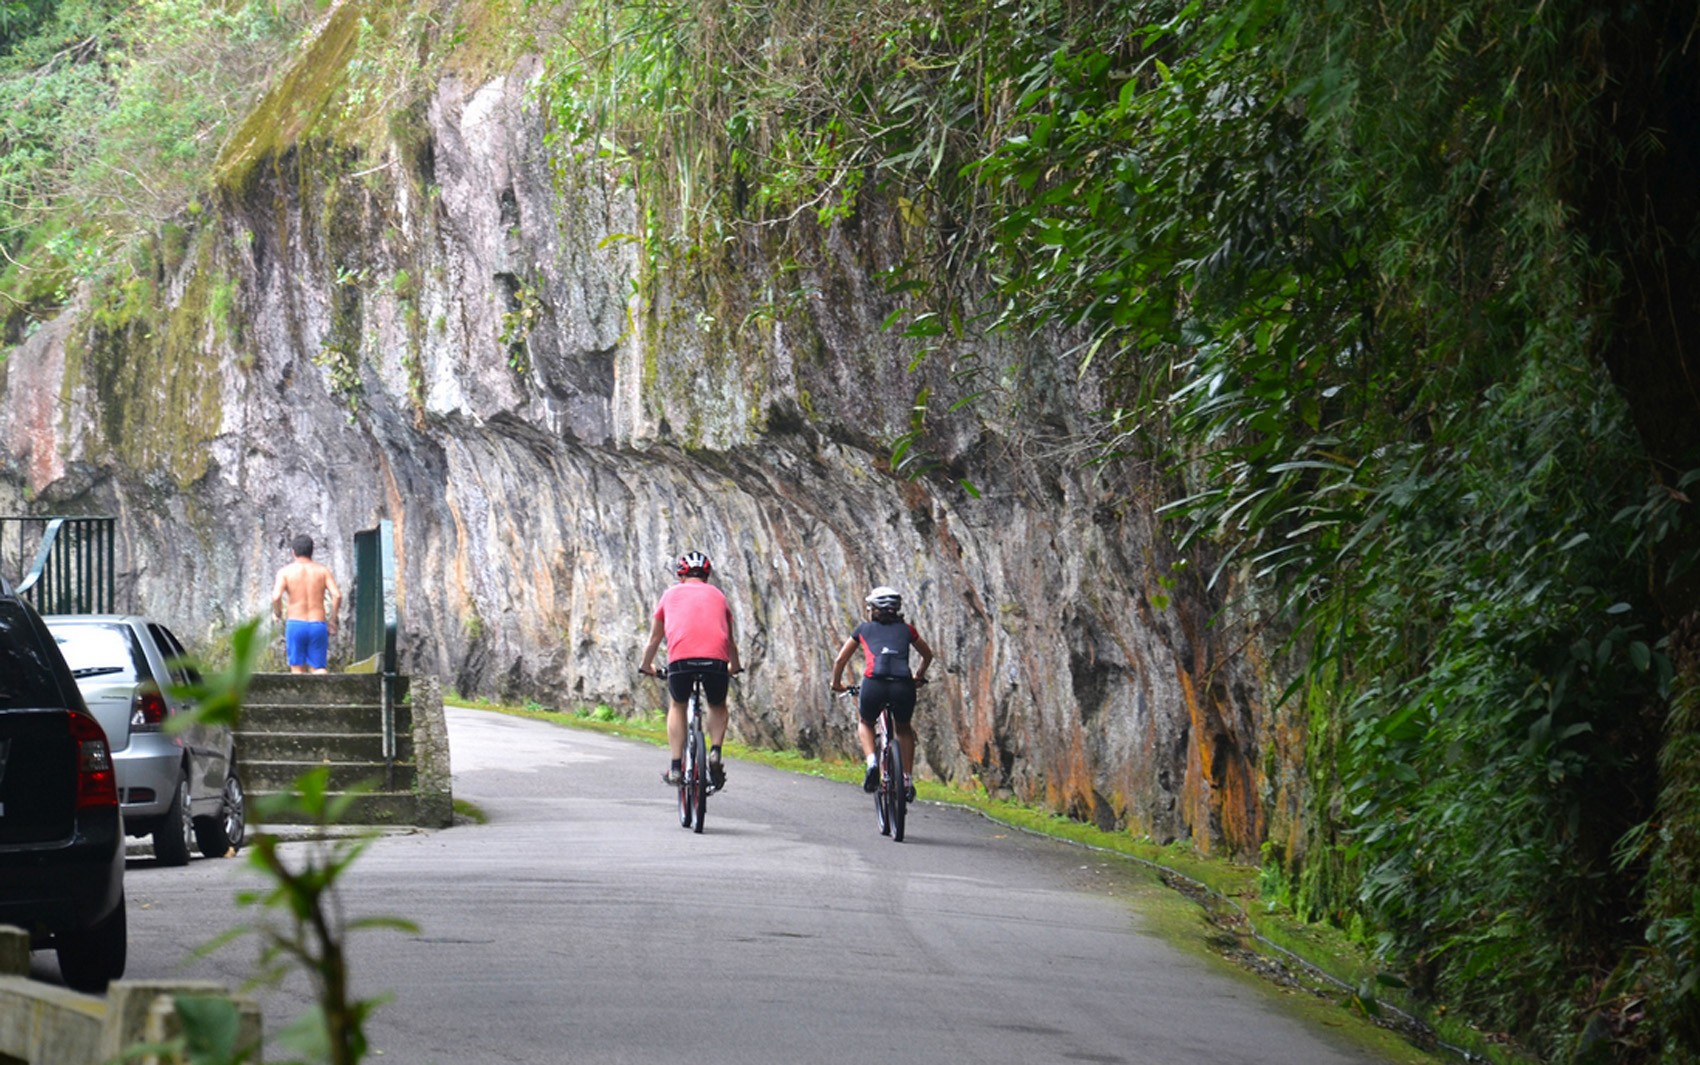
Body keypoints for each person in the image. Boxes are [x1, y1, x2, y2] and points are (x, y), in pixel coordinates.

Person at [638, 550, 743, 788]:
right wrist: (734, 666)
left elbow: (654, 639)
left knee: (678, 704)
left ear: (681, 575)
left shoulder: (669, 595)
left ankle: (676, 767)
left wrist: (646, 666)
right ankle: (715, 750)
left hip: (681, 661)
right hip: (715, 661)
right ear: (706, 575)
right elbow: (730, 641)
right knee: (717, 704)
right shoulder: (718, 596)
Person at [831, 586, 935, 801]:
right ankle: (907, 779)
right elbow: (927, 654)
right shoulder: (908, 630)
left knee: (866, 722)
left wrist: (836, 683)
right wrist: (919, 676)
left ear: (872, 609)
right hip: (903, 685)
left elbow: (840, 660)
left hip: (874, 684)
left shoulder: (863, 630)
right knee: (904, 728)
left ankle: (871, 763)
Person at [270, 534, 343, 674]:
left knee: (297, 670)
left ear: (293, 552)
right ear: (312, 551)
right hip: (317, 625)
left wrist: (277, 613)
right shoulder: (322, 571)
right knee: (319, 669)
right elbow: (337, 595)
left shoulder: (285, 572)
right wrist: (333, 620)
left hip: (296, 625)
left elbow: (276, 596)